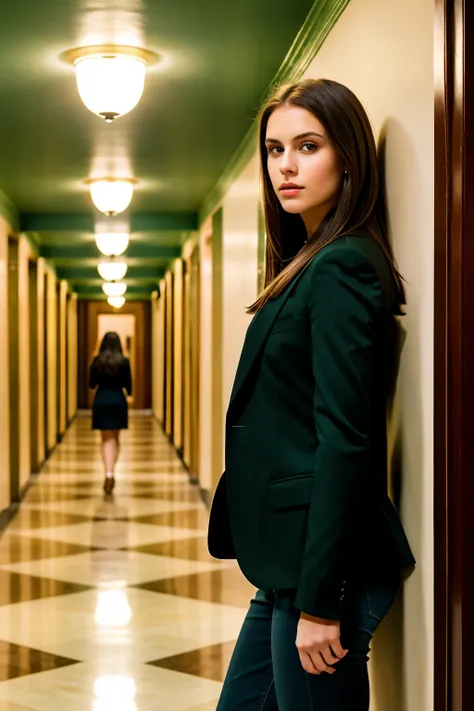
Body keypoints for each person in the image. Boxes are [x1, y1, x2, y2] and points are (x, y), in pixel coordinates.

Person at [207, 78, 416, 711]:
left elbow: (345, 437)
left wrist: (323, 601)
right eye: (274, 150)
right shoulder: (309, 259)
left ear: (348, 156)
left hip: (324, 573)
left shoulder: (342, 266)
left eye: (307, 146)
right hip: (288, 567)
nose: (285, 166)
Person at [89, 331, 132, 495]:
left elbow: (92, 384)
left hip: (101, 399)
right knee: (116, 437)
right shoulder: (124, 361)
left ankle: (108, 472)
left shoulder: (96, 361)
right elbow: (128, 386)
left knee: (105, 438)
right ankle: (112, 470)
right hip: (117, 399)